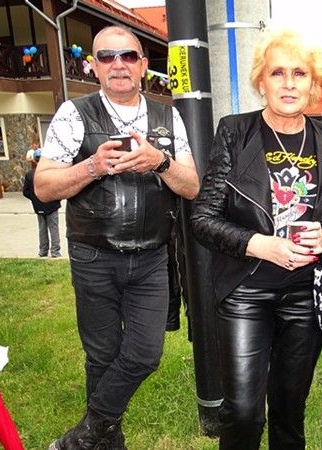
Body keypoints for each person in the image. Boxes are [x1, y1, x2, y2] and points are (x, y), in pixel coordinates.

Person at [34, 25, 199, 449]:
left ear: (143, 65)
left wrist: (160, 161)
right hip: (94, 256)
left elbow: (192, 186)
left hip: (151, 258)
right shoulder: (74, 113)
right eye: (107, 57)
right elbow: (43, 187)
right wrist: (92, 166)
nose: (118, 64)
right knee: (102, 356)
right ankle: (108, 441)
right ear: (93, 66)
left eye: (128, 56)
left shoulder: (168, 116)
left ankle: (84, 435)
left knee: (144, 354)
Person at [191, 29, 322, 449]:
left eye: (299, 73)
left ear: (313, 84)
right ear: (260, 82)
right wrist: (260, 244)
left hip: (306, 294)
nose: (288, 83)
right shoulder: (236, 131)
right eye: (277, 72)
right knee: (244, 411)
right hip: (246, 291)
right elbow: (203, 218)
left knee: (289, 408)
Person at [22, 146, 62, 258]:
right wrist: (57, 199)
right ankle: (55, 252)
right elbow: (58, 189)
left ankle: (43, 251)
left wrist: (35, 199)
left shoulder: (30, 174)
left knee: (42, 229)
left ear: (35, 160)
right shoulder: (52, 173)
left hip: (38, 206)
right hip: (52, 205)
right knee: (54, 229)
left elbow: (26, 192)